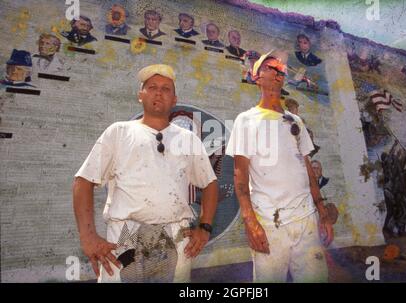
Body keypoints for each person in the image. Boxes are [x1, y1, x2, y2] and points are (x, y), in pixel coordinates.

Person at [73, 64, 218, 283]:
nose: (159, 92)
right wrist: (88, 236)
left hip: (176, 236)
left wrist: (205, 226)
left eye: (166, 89)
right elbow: (83, 181)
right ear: (140, 95)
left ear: (175, 99)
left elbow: (210, 184)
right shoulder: (119, 132)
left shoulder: (188, 139)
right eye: (151, 87)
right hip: (125, 236)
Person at [226, 50, 333, 283]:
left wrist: (322, 213)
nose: (278, 72)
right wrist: (250, 221)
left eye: (281, 69)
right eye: (270, 68)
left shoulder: (296, 121)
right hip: (268, 221)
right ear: (256, 77)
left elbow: (308, 169)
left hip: (306, 220)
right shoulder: (245, 120)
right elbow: (240, 176)